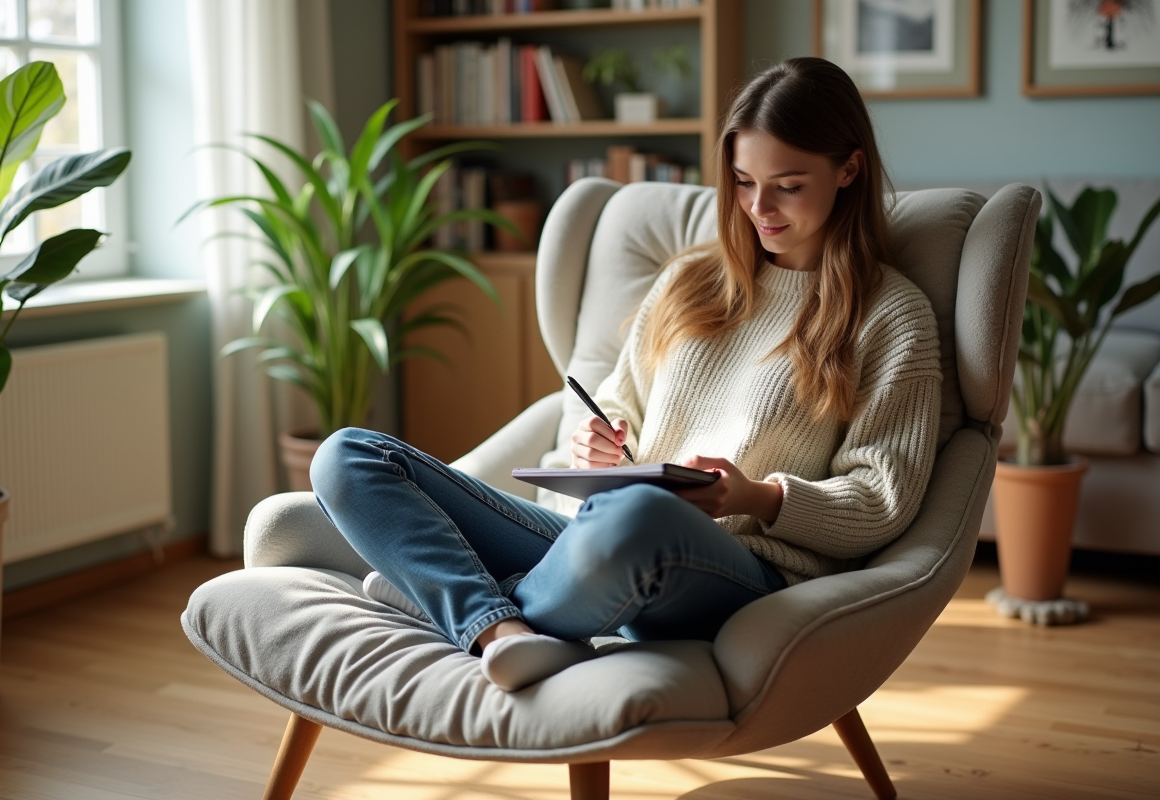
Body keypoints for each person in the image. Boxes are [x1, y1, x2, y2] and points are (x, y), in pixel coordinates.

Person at [309, 56, 942, 693]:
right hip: (600, 539)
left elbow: (881, 499)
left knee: (639, 515)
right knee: (348, 457)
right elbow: (617, 403)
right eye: (744, 182)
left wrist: (757, 497)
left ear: (849, 169)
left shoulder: (892, 317)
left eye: (788, 184)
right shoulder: (689, 281)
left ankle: (441, 594)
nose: (759, 207)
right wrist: (600, 441)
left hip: (738, 570)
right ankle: (495, 629)